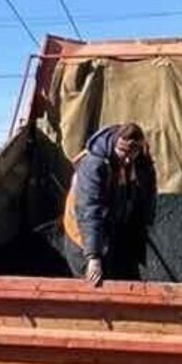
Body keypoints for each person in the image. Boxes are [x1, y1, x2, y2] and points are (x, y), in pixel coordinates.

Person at [62, 122, 157, 287]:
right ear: (114, 144)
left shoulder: (138, 160)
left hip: (113, 230)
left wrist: (142, 228)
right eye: (123, 153)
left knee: (122, 281)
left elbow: (145, 193)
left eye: (132, 154)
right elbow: (89, 210)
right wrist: (93, 257)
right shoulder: (93, 165)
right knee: (95, 285)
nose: (127, 159)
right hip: (83, 235)